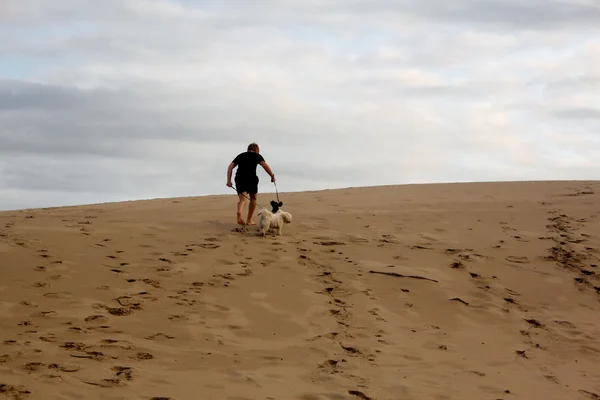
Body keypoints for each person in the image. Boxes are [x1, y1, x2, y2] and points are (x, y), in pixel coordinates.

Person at [226, 143, 276, 226]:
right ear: (257, 150)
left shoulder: (241, 155)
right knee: (253, 199)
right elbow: (265, 166)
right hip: (251, 179)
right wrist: (272, 176)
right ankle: (249, 220)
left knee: (242, 200)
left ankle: (239, 212)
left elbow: (230, 167)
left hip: (240, 178)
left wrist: (229, 180)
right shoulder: (257, 156)